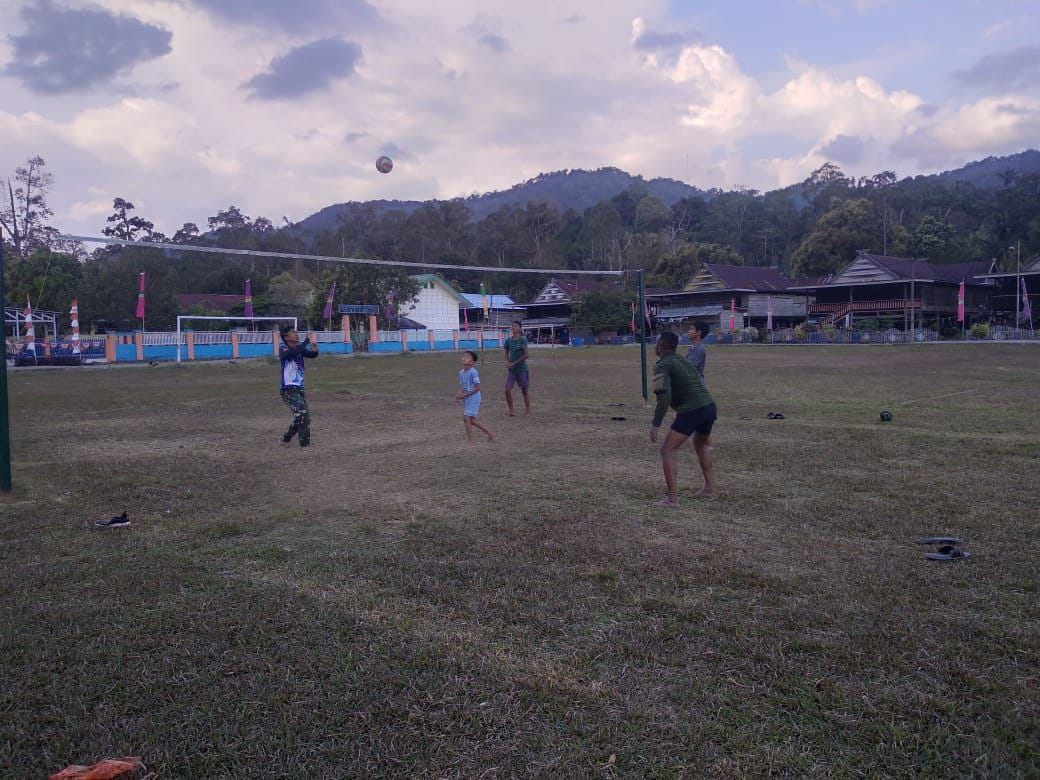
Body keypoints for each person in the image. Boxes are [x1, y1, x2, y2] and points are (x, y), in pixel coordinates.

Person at [650, 331, 716, 506]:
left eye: (656, 343)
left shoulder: (662, 365)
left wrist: (655, 424)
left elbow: (663, 396)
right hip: (709, 406)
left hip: (693, 410)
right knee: (701, 444)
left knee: (667, 450)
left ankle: (672, 499)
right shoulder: (683, 361)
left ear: (661, 346)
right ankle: (709, 488)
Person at [279, 326, 318, 447]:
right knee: (303, 416)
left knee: (304, 417)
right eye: (293, 333)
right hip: (288, 389)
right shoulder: (283, 347)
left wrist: (314, 346)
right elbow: (293, 353)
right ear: (286, 337)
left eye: (296, 332)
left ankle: (286, 439)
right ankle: (305, 445)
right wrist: (305, 341)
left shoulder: (298, 348)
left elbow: (312, 355)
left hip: (299, 388)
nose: (296, 334)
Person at [457, 350, 495, 443]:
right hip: (467, 398)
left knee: (466, 418)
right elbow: (463, 386)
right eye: (464, 356)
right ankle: (490, 433)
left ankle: (469, 441)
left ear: (472, 362)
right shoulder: (461, 372)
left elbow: (477, 388)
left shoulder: (474, 372)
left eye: (467, 357)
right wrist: (458, 394)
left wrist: (465, 394)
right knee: (472, 420)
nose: (464, 358)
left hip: (474, 398)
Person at [503, 320, 531, 415]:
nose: (513, 327)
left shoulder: (522, 340)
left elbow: (526, 355)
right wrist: (507, 361)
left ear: (519, 328)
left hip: (522, 369)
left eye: (515, 326)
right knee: (507, 390)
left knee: (524, 390)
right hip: (512, 371)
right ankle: (511, 410)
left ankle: (528, 410)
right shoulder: (508, 341)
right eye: (512, 326)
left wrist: (514, 363)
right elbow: (506, 352)